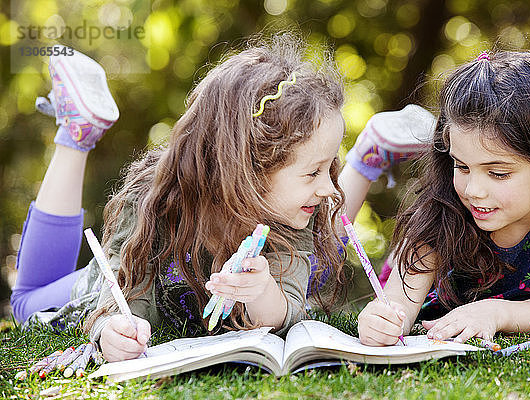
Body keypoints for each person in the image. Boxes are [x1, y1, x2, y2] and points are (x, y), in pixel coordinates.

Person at [11, 36, 352, 362]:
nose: (331, 189)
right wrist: (111, 329)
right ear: (248, 168)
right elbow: (123, 299)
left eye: (329, 168)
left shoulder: (291, 214)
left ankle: (371, 155)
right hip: (101, 282)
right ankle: (76, 134)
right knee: (25, 304)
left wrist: (262, 291)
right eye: (312, 172)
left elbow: (288, 305)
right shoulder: (154, 201)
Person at [357, 50, 530, 346]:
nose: (473, 190)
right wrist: (383, 320)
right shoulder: (442, 205)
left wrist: (494, 312)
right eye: (462, 166)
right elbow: (399, 302)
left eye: (497, 173)